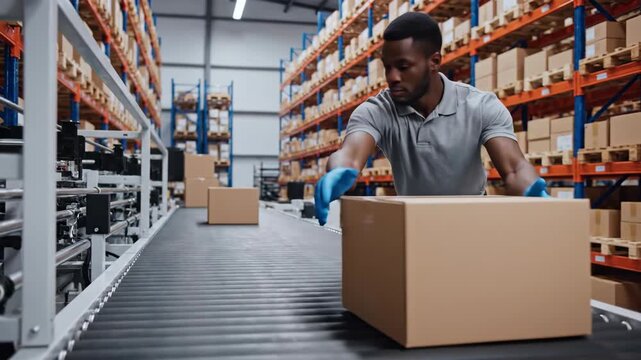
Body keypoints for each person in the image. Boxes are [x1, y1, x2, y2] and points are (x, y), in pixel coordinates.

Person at [315, 12, 548, 225]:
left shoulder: (480, 105)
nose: (392, 77)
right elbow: (350, 155)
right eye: (388, 67)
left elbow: (515, 168)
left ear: (434, 61)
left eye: (403, 66)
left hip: (473, 224)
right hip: (412, 225)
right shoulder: (377, 110)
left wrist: (531, 189)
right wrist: (337, 173)